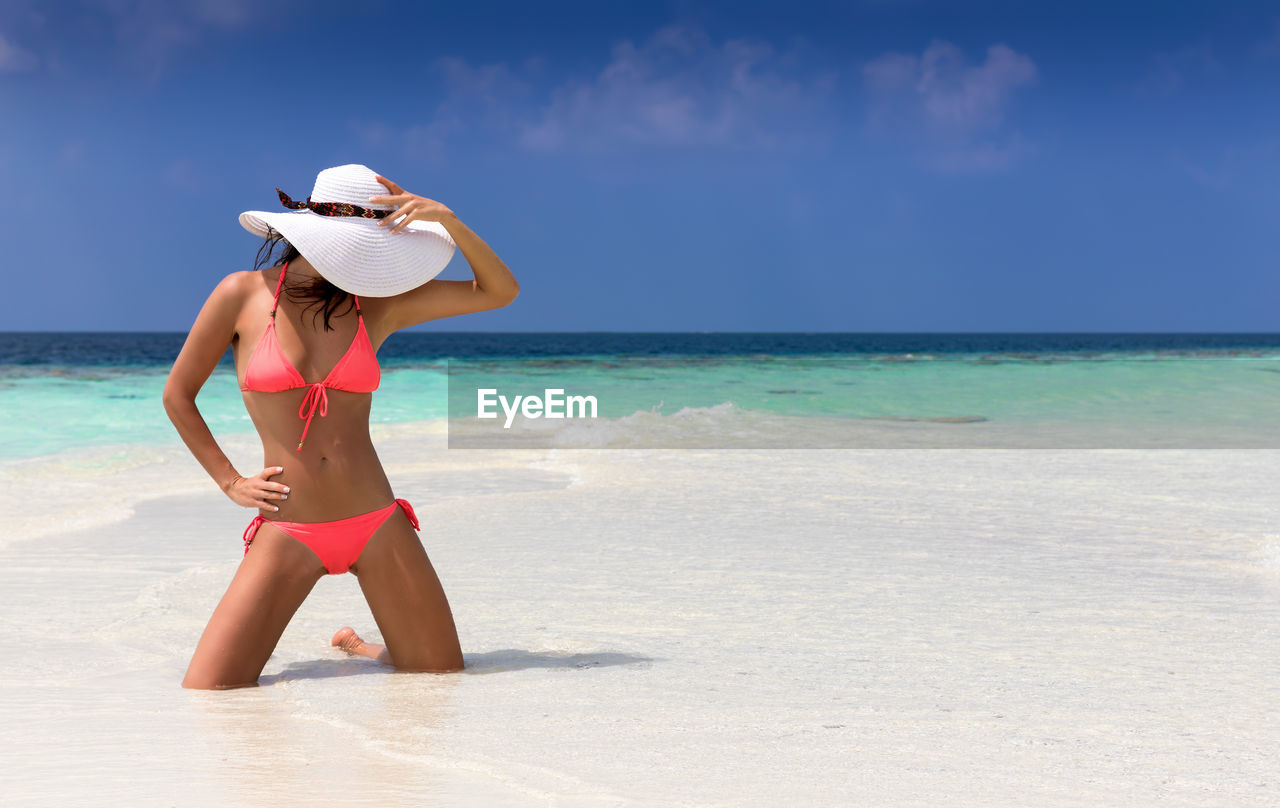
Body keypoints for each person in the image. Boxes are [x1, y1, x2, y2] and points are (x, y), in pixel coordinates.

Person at [163, 164, 519, 689]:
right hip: (289, 526)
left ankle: (361, 647)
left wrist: (451, 223)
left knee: (440, 678)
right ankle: (363, 646)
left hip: (375, 520)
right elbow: (178, 395)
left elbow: (499, 291)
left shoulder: (377, 305)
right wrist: (230, 481)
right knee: (211, 691)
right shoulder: (240, 295)